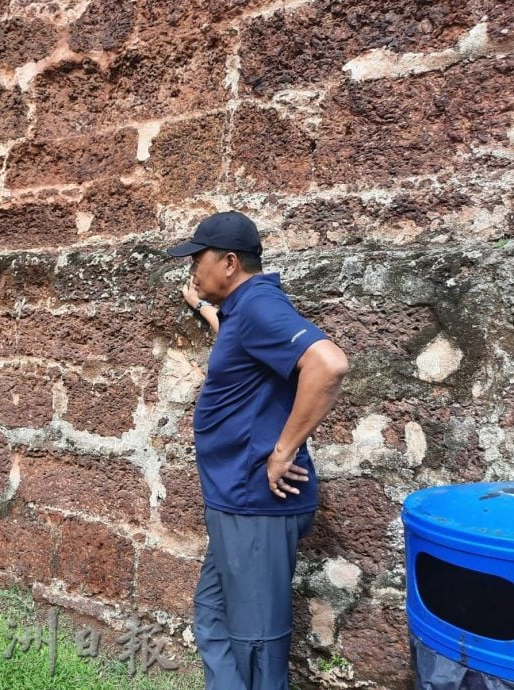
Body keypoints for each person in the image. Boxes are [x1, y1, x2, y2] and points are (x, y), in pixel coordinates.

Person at [167, 211, 349, 690]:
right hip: (235, 502)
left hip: (255, 504)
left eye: (197, 259)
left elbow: (328, 364)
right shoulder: (240, 310)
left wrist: (283, 450)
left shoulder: (258, 306)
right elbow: (241, 342)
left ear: (228, 263)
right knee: (212, 618)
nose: (192, 269)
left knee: (255, 642)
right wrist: (206, 310)